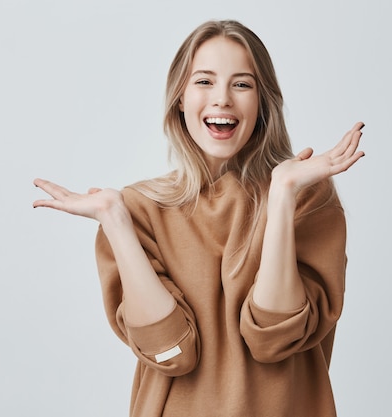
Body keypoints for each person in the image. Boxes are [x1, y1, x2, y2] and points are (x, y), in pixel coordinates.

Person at [33, 19, 364, 417]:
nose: (222, 99)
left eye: (242, 84)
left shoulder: (306, 195)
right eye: (204, 81)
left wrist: (280, 196)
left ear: (262, 102)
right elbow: (170, 352)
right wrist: (115, 219)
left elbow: (275, 340)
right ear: (180, 98)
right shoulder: (139, 209)